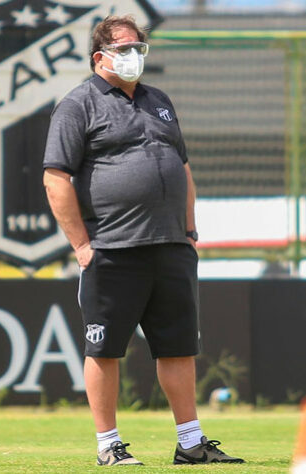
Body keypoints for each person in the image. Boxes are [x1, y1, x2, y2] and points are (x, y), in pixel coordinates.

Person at [42, 15, 245, 467]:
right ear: (100, 57)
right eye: (124, 48)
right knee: (104, 347)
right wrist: (81, 246)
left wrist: (189, 232)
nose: (134, 55)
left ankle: (190, 443)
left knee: (178, 346)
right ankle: (108, 445)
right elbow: (56, 177)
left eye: (139, 47)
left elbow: (182, 166)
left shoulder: (159, 101)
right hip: (112, 247)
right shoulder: (77, 105)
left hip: (170, 244)